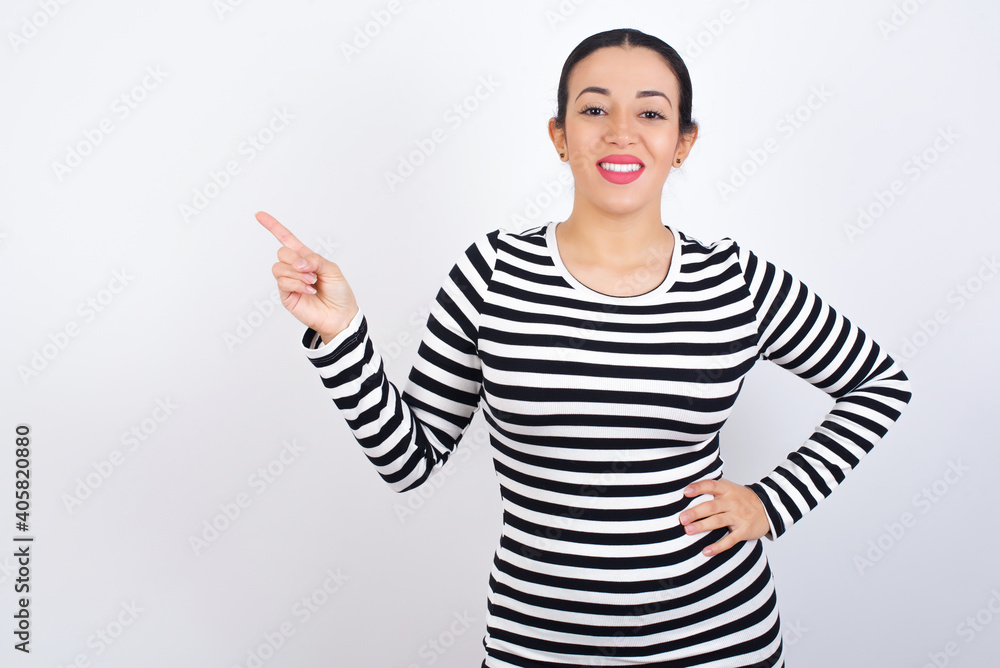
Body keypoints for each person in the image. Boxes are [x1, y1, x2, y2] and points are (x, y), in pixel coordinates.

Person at [257, 27, 912, 668]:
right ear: (560, 136)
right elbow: (409, 460)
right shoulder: (493, 274)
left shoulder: (733, 281)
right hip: (537, 645)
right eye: (595, 109)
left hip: (720, 642)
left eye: (650, 113)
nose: (621, 132)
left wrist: (772, 502)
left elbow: (880, 384)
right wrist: (341, 335)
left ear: (683, 143)